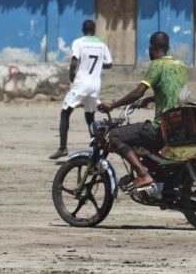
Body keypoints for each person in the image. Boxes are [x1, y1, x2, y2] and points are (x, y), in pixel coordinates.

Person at [98, 32, 188, 190]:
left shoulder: (157, 65)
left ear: (152, 48)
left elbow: (138, 92)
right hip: (178, 125)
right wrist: (152, 99)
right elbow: (174, 93)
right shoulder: (179, 65)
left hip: (160, 128)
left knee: (114, 135)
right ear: (167, 47)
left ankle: (143, 174)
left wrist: (113, 105)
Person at [49, 20, 113, 159]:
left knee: (65, 112)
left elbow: (73, 62)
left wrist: (72, 76)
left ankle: (62, 148)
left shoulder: (78, 42)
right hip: (95, 85)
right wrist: (96, 65)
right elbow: (109, 64)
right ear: (94, 30)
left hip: (81, 83)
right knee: (90, 116)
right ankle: (97, 148)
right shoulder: (102, 44)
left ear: (83, 30)